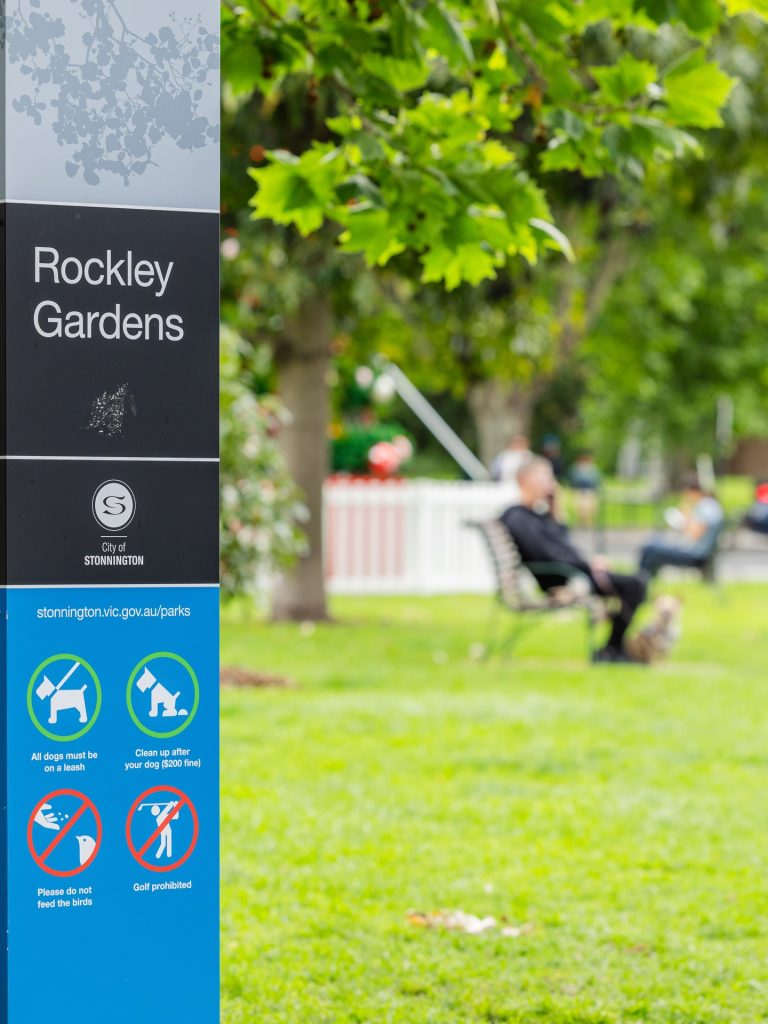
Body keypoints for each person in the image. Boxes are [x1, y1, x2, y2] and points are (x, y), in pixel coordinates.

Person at [500, 457, 647, 663]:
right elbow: (548, 555)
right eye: (545, 477)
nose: (551, 483)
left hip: (572, 572)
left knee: (634, 582)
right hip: (566, 579)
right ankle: (612, 650)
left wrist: (556, 510)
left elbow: (560, 545)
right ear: (525, 480)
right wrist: (588, 566)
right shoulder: (519, 517)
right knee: (636, 584)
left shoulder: (534, 515)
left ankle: (614, 648)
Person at [638, 474, 724, 578]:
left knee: (650, 550)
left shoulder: (706, 507)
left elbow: (695, 534)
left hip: (695, 555)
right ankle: (644, 581)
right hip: (695, 552)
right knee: (653, 543)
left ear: (690, 491)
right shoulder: (708, 504)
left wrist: (683, 520)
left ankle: (640, 582)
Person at [569, 451, 602, 528]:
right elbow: (574, 480)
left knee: (590, 507)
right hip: (579, 490)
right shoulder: (576, 468)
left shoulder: (593, 468)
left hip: (590, 490)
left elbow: (596, 480)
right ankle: (582, 522)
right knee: (580, 507)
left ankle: (589, 523)